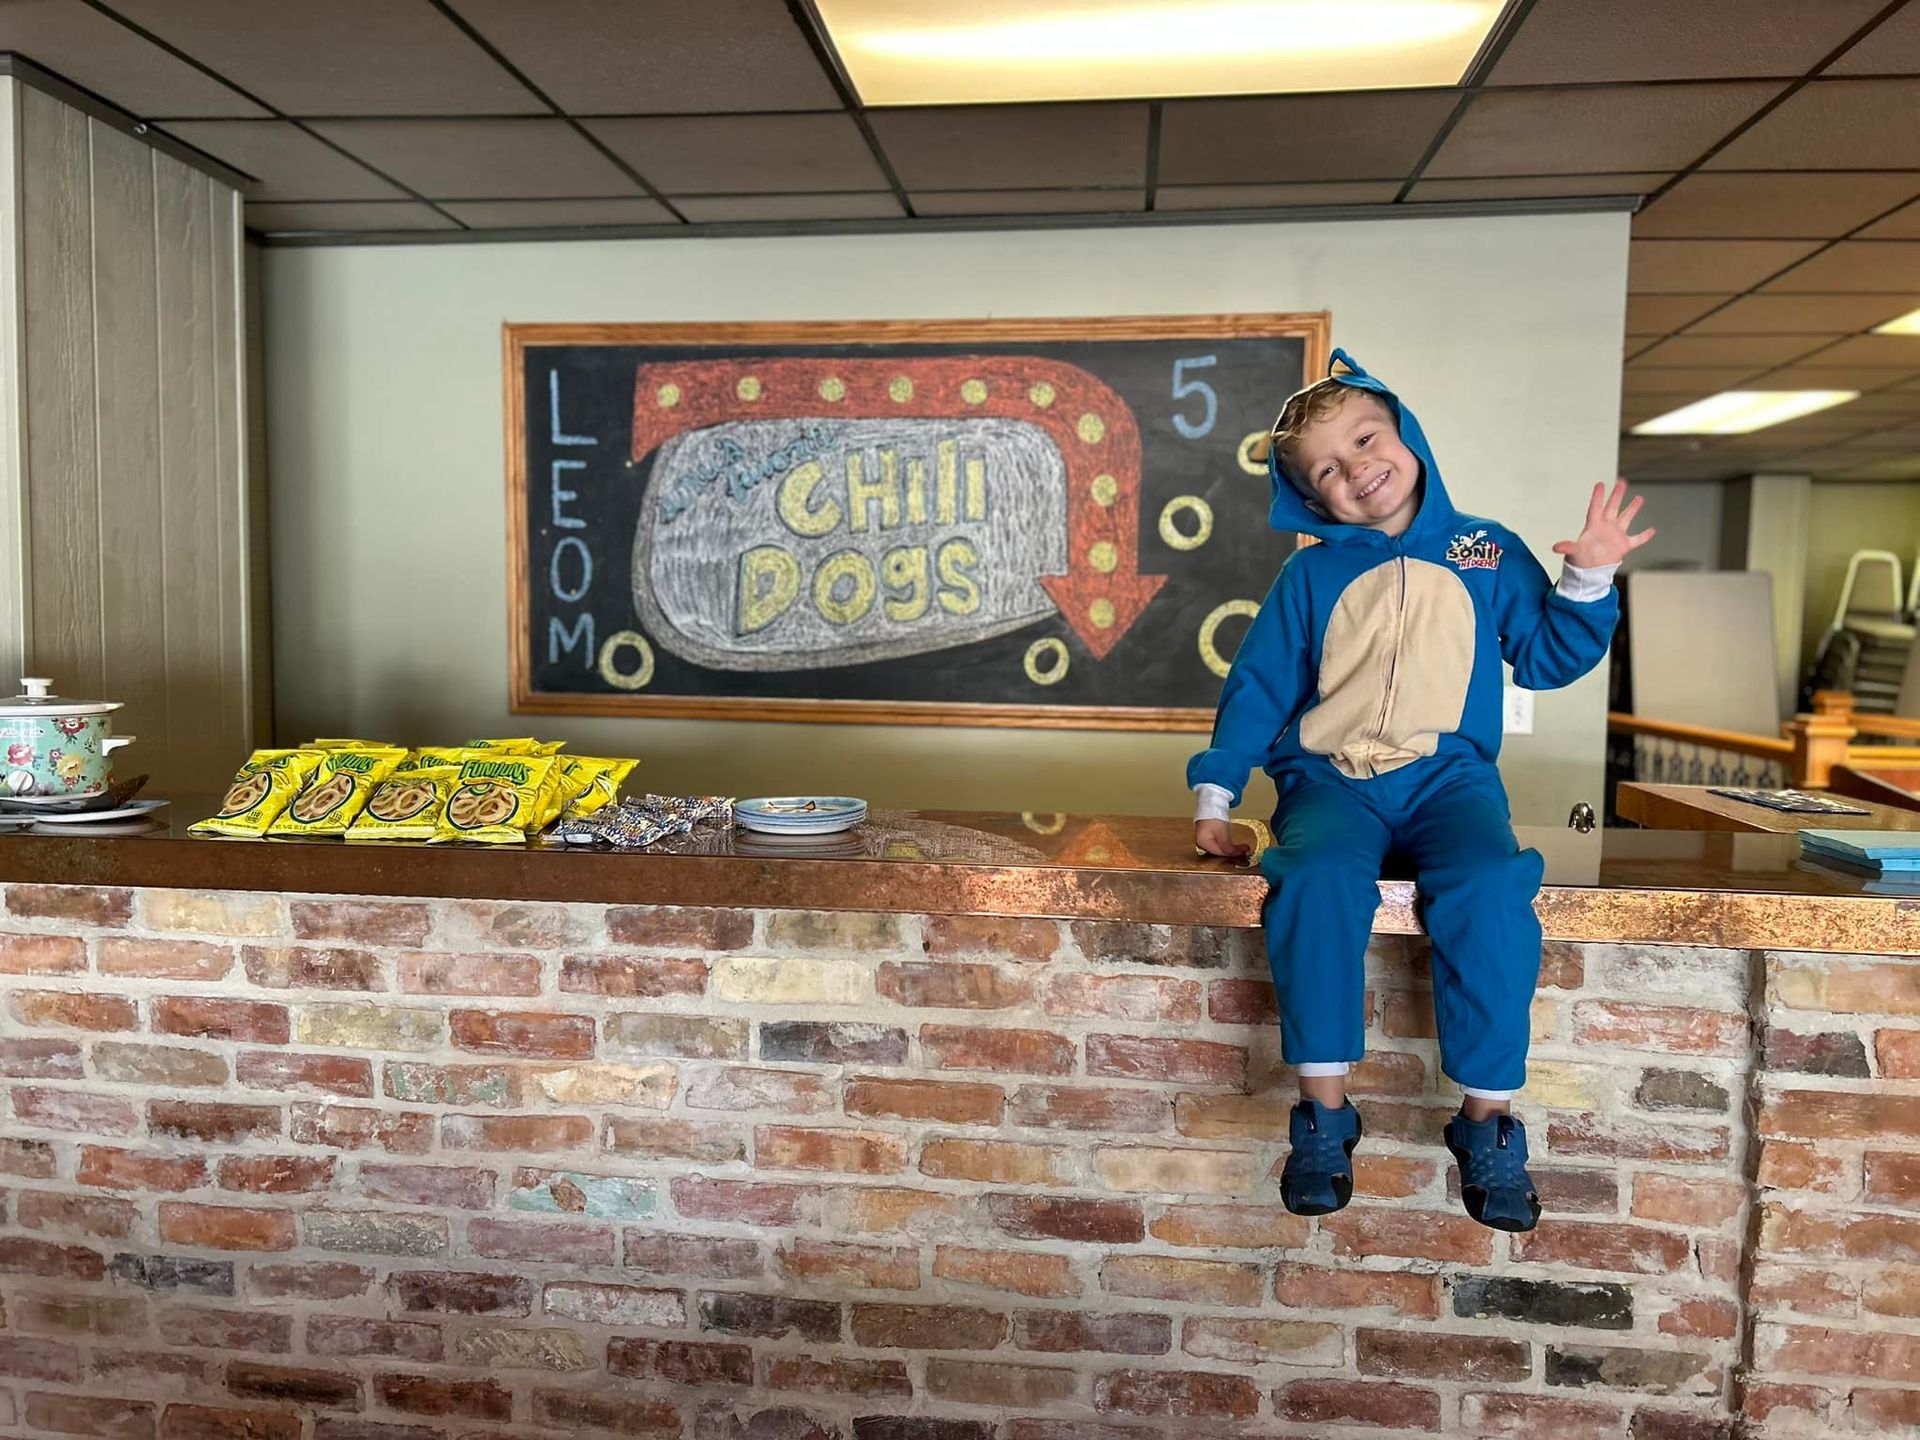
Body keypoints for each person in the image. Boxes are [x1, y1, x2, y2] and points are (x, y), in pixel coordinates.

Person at [1188, 349, 1651, 1232]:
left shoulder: (1485, 548)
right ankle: (1324, 1114)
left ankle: (1488, 1123)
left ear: (1404, 435)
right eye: (1329, 467)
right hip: (1329, 781)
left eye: (1366, 439)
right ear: (1313, 499)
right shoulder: (1308, 576)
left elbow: (1549, 656)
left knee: (1489, 885)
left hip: (1451, 780)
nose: (1358, 467)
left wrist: (1589, 579)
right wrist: (1216, 797)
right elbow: (1257, 688)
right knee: (1314, 882)